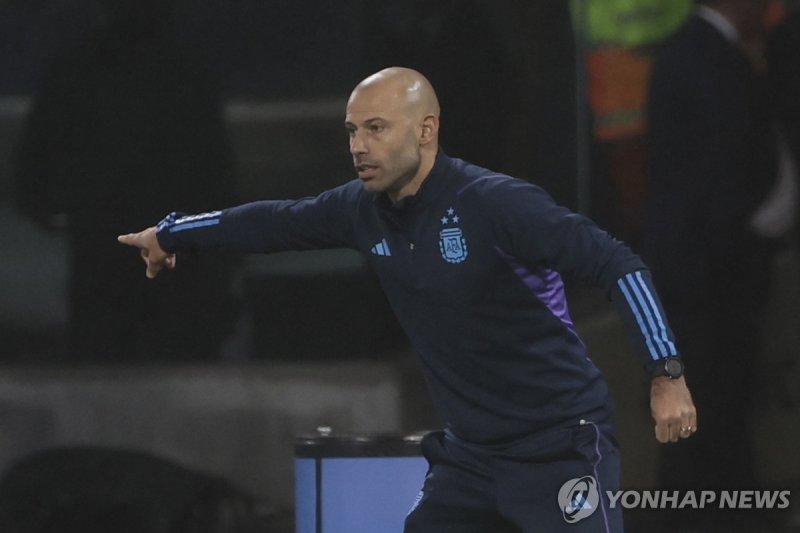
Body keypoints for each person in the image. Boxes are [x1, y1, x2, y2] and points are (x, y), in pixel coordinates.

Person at [120, 67, 696, 532]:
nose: (358, 146)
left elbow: (619, 264)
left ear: (426, 130)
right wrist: (171, 235)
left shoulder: (497, 204)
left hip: (560, 447)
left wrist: (666, 373)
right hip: (470, 458)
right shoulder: (358, 209)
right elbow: (272, 222)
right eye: (351, 131)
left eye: (375, 128)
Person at [14, 0, 239, 362]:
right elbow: (215, 172)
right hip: (171, 255)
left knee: (106, 364)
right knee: (176, 367)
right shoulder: (184, 75)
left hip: (108, 249)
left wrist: (54, 207)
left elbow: (34, 172)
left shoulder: (78, 72)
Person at [643, 0, 778, 518]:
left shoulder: (702, 53)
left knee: (720, 409)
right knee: (702, 415)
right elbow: (719, 172)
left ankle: (726, 512)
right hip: (704, 276)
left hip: (705, 271)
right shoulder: (704, 57)